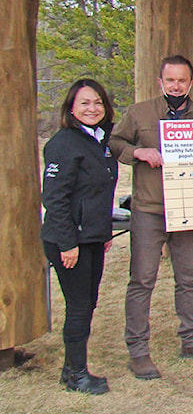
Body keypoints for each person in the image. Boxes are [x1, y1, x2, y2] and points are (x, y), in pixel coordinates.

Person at [109, 55, 193, 381]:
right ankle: (137, 350)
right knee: (142, 280)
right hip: (149, 209)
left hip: (189, 210)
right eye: (170, 80)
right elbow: (115, 142)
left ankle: (192, 340)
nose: (176, 86)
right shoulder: (139, 113)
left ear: (191, 83)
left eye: (182, 81)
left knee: (189, 279)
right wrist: (138, 152)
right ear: (160, 82)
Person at [41, 79, 118, 395]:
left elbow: (98, 192)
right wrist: (67, 242)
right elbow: (54, 199)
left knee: (88, 304)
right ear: (71, 108)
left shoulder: (100, 140)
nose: (92, 108)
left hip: (92, 237)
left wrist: (102, 232)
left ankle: (70, 368)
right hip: (69, 240)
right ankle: (77, 374)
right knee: (78, 306)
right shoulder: (64, 143)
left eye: (97, 102)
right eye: (85, 103)